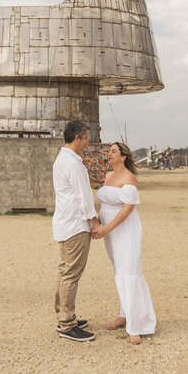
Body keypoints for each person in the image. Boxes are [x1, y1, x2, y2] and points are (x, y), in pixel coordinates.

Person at [93, 141, 156, 344]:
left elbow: (128, 208)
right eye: (108, 151)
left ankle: (136, 325)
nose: (109, 154)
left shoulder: (129, 178)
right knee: (119, 270)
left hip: (124, 230)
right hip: (110, 231)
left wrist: (106, 228)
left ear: (123, 157)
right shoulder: (109, 176)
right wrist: (97, 222)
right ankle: (124, 313)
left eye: (113, 151)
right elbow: (107, 204)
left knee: (129, 271)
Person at [52, 120, 99, 342]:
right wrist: (95, 221)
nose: (88, 142)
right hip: (75, 225)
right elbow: (84, 196)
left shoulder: (62, 159)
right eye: (87, 137)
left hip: (64, 223)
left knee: (64, 271)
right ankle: (67, 324)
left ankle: (64, 315)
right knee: (72, 274)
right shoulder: (73, 164)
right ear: (78, 137)